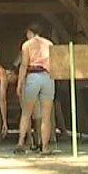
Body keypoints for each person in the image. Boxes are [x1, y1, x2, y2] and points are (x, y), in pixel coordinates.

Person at [14, 23, 55, 155]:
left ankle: (21, 143)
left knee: (26, 113)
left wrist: (19, 83)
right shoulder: (49, 44)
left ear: (30, 32)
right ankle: (44, 147)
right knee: (46, 116)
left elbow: (24, 65)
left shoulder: (27, 45)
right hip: (47, 77)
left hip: (33, 76)